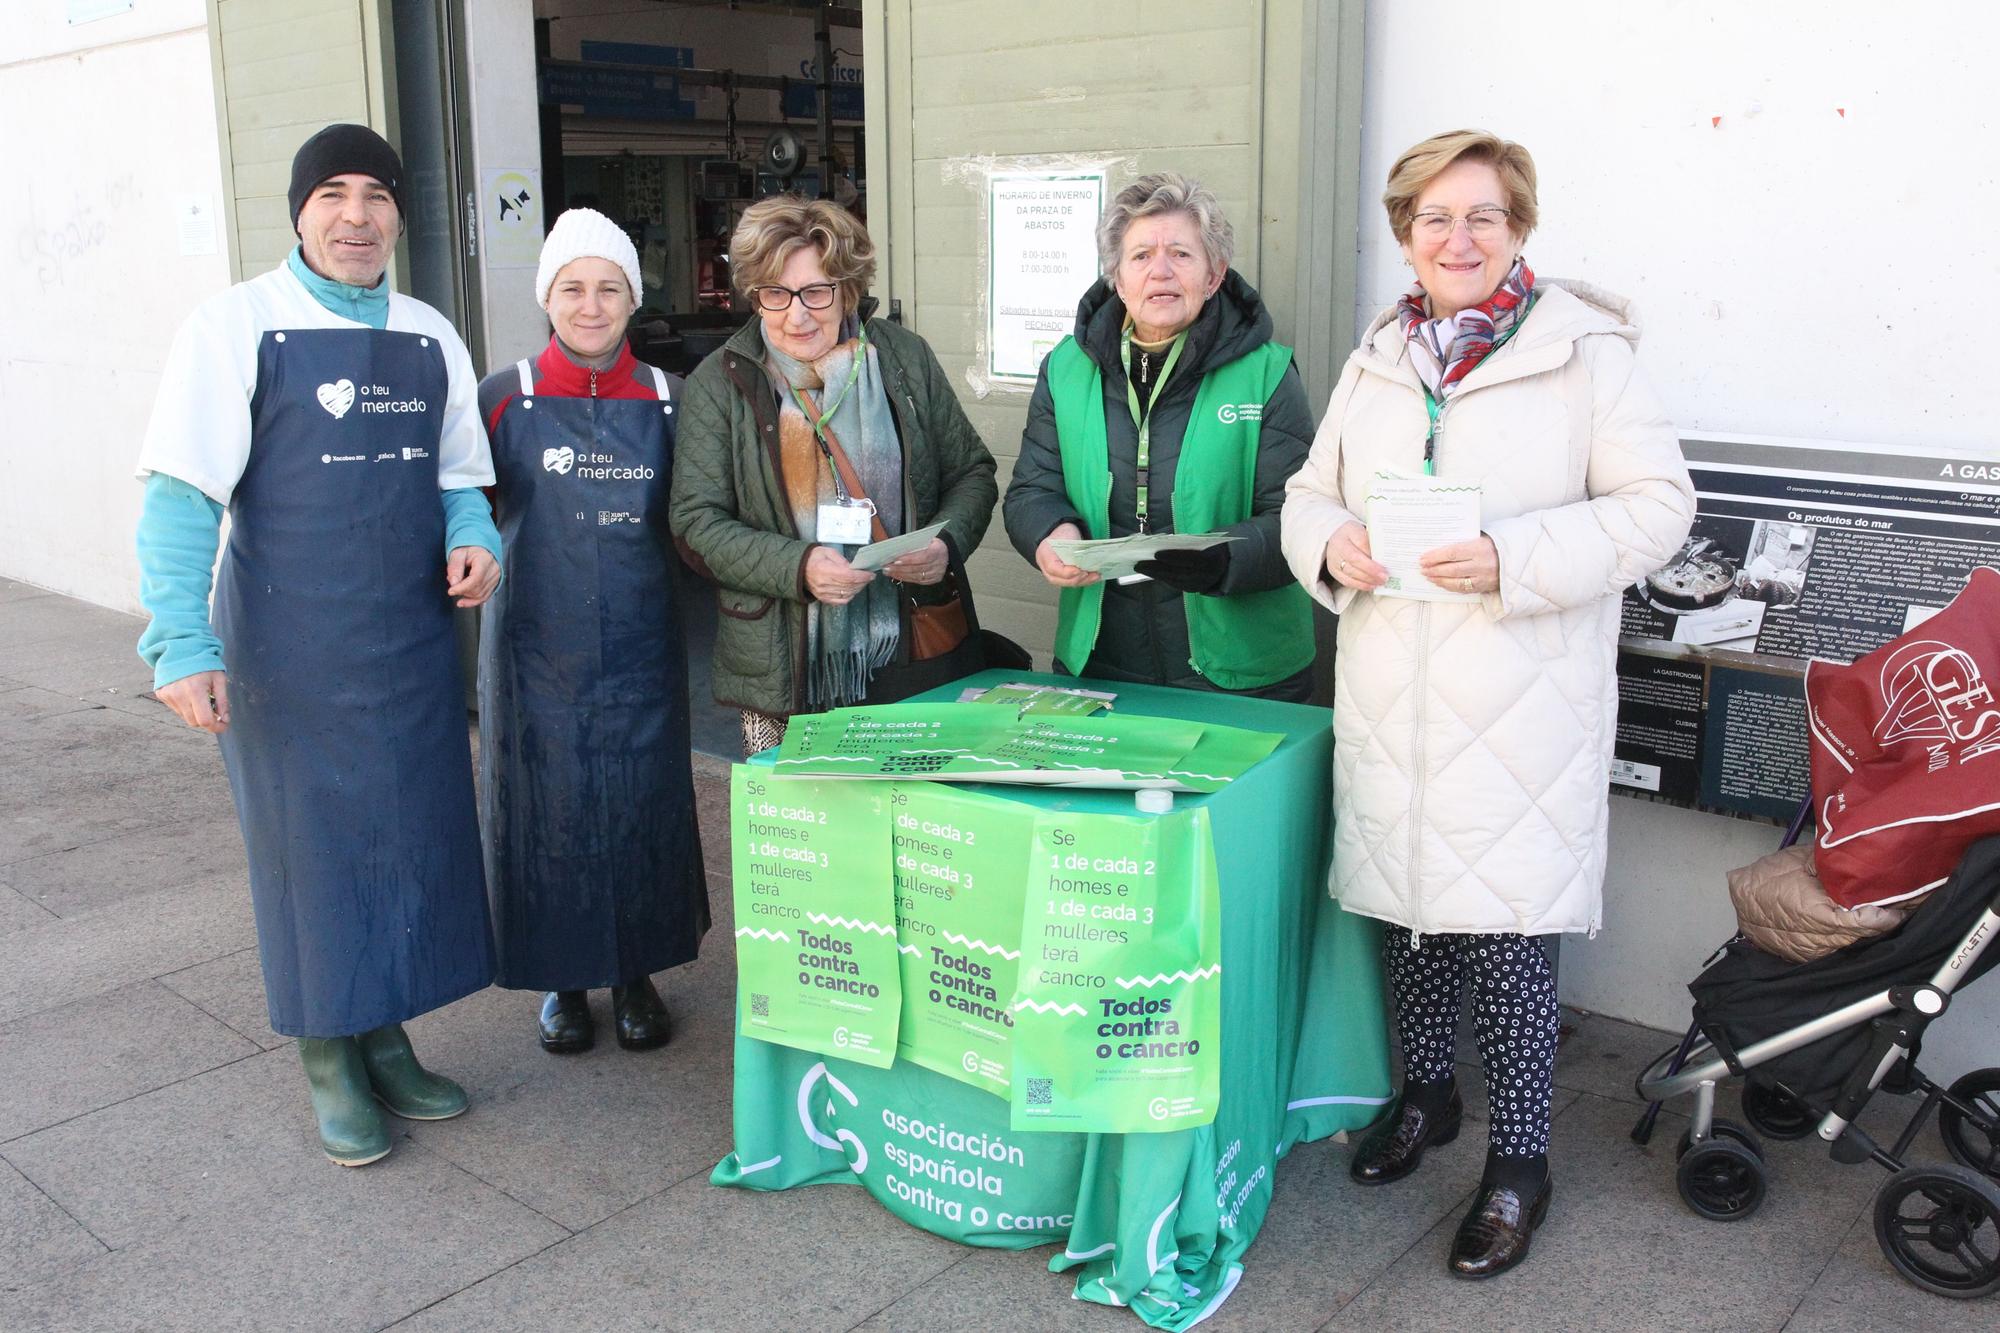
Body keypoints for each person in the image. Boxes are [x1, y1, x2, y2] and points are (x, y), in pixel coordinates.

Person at [1280, 129, 1695, 1277]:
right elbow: (1307, 492)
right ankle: (1425, 1098)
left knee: (1508, 943)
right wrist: (1334, 541)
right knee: (1407, 921)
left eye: (1481, 216)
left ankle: (1520, 1163)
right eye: (1431, 218)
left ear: (1518, 228)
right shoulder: (1377, 358)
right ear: (1402, 235)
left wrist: (1510, 555)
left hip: (1518, 706)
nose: (1455, 238)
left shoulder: (1584, 356)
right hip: (1388, 698)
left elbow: (1658, 507)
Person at [133, 124, 502, 1167]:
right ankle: (328, 1055)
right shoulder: (236, 326)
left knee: (405, 842)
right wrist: (179, 641)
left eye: (375, 194)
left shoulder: (431, 331)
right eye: (332, 193)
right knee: (311, 858)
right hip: (288, 650)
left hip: (410, 647)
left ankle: (384, 1034)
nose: (355, 215)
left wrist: (475, 539)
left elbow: (458, 475)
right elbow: (178, 498)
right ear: (299, 211)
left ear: (398, 213)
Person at [475, 210, 711, 1055]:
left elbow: (698, 518)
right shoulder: (501, 397)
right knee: (550, 807)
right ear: (547, 297)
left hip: (644, 644)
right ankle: (562, 982)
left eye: (609, 287)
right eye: (572, 287)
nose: (591, 303)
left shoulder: (670, 398)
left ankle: (636, 973)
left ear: (632, 298)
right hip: (535, 648)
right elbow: (463, 508)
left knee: (643, 804)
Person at [670, 196, 998, 753]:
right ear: (756, 295)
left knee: (915, 821)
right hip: (784, 666)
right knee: (805, 833)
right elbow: (695, 523)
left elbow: (972, 472)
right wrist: (797, 566)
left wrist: (945, 543)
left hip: (909, 644)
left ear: (847, 289)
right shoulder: (720, 383)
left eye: (816, 292)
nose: (797, 315)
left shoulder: (904, 359)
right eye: (776, 293)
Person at [1002, 172, 1316, 699]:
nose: (1161, 272)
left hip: (1243, 670)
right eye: (1141, 256)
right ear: (1118, 279)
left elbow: (1301, 516)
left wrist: (1223, 560)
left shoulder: (1267, 373)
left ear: (1215, 275)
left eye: (1182, 255)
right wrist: (1049, 535)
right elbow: (1032, 489)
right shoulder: (1065, 368)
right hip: (1102, 658)